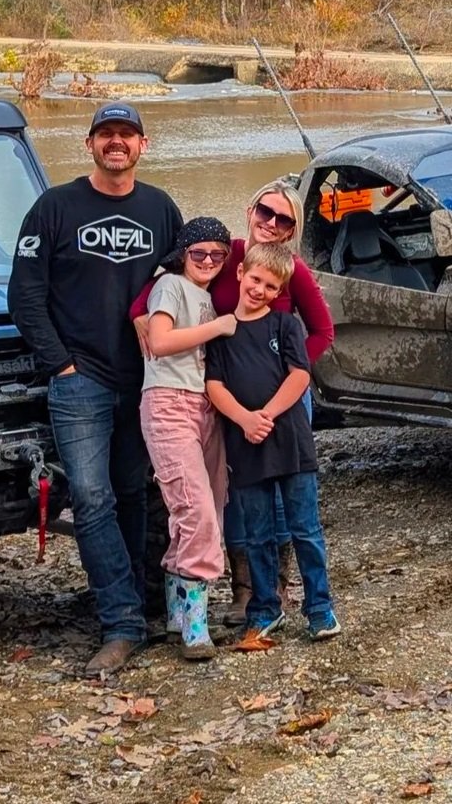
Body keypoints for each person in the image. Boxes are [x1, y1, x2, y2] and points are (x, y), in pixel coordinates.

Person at [8, 101, 183, 677]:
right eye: (106, 134)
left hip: (145, 379)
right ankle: (121, 622)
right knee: (90, 498)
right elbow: (25, 293)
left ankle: (135, 600)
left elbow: (187, 283)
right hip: (79, 380)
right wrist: (59, 364)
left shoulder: (160, 208)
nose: (117, 143)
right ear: (89, 144)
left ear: (142, 145)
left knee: (132, 493)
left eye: (126, 135)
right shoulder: (54, 207)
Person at [129, 177, 335, 625]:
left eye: (284, 219)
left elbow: (323, 331)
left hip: (282, 397)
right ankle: (247, 592)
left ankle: (279, 589)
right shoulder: (224, 256)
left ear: (292, 228)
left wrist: (289, 370)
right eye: (266, 212)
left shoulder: (288, 267)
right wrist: (138, 315)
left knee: (285, 504)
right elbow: (165, 282)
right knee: (239, 493)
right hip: (224, 395)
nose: (272, 223)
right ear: (250, 210)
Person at [205, 242, 341, 647]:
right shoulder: (222, 331)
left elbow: (299, 375)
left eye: (270, 285)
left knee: (305, 529)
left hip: (291, 443)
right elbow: (214, 385)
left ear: (280, 290)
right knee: (257, 532)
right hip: (245, 445)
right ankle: (265, 608)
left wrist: (265, 414)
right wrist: (245, 420)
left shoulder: (286, 327)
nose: (260, 289)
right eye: (256, 279)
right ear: (240, 273)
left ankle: (319, 608)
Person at [139, 217, 236, 661]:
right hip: (167, 403)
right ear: (183, 253)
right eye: (200, 253)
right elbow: (159, 341)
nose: (209, 261)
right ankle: (197, 621)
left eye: (218, 254)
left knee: (209, 504)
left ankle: (178, 607)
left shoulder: (210, 296)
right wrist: (219, 327)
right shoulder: (170, 286)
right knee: (194, 506)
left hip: (205, 407)